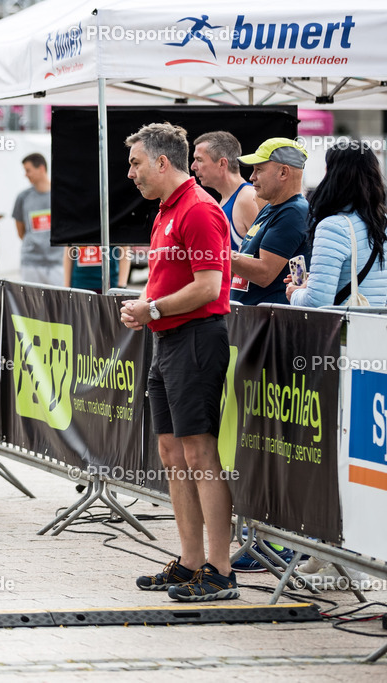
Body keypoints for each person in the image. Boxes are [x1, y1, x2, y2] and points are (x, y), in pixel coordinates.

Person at [120, 122, 238, 602]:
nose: (131, 174)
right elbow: (169, 279)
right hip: (167, 340)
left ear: (161, 162)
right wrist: (145, 302)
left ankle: (221, 571)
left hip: (195, 338)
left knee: (199, 454)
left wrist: (153, 308)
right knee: (171, 453)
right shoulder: (166, 210)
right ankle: (190, 562)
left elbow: (210, 287)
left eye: (135, 163)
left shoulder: (199, 209)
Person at [287, 139, 387, 308]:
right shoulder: (382, 221)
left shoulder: (333, 227)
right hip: (378, 329)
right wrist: (317, 279)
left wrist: (295, 292)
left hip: (344, 331)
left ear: (333, 174)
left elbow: (316, 303)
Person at [230, 138, 310, 305]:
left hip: (271, 322)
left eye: (259, 169)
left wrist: (217, 252)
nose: (252, 177)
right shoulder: (272, 207)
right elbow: (247, 258)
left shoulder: (294, 211)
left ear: (283, 173)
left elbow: (264, 274)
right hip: (254, 319)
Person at [191, 131, 260, 250]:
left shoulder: (248, 198)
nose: (193, 166)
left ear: (222, 163)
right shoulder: (224, 201)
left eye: (199, 160)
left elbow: (268, 261)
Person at [13, 153, 64, 285]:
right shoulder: (23, 197)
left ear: (41, 168)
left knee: (59, 305)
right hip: (31, 263)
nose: (26, 174)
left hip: (57, 263)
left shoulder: (62, 195)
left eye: (28, 170)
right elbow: (21, 231)